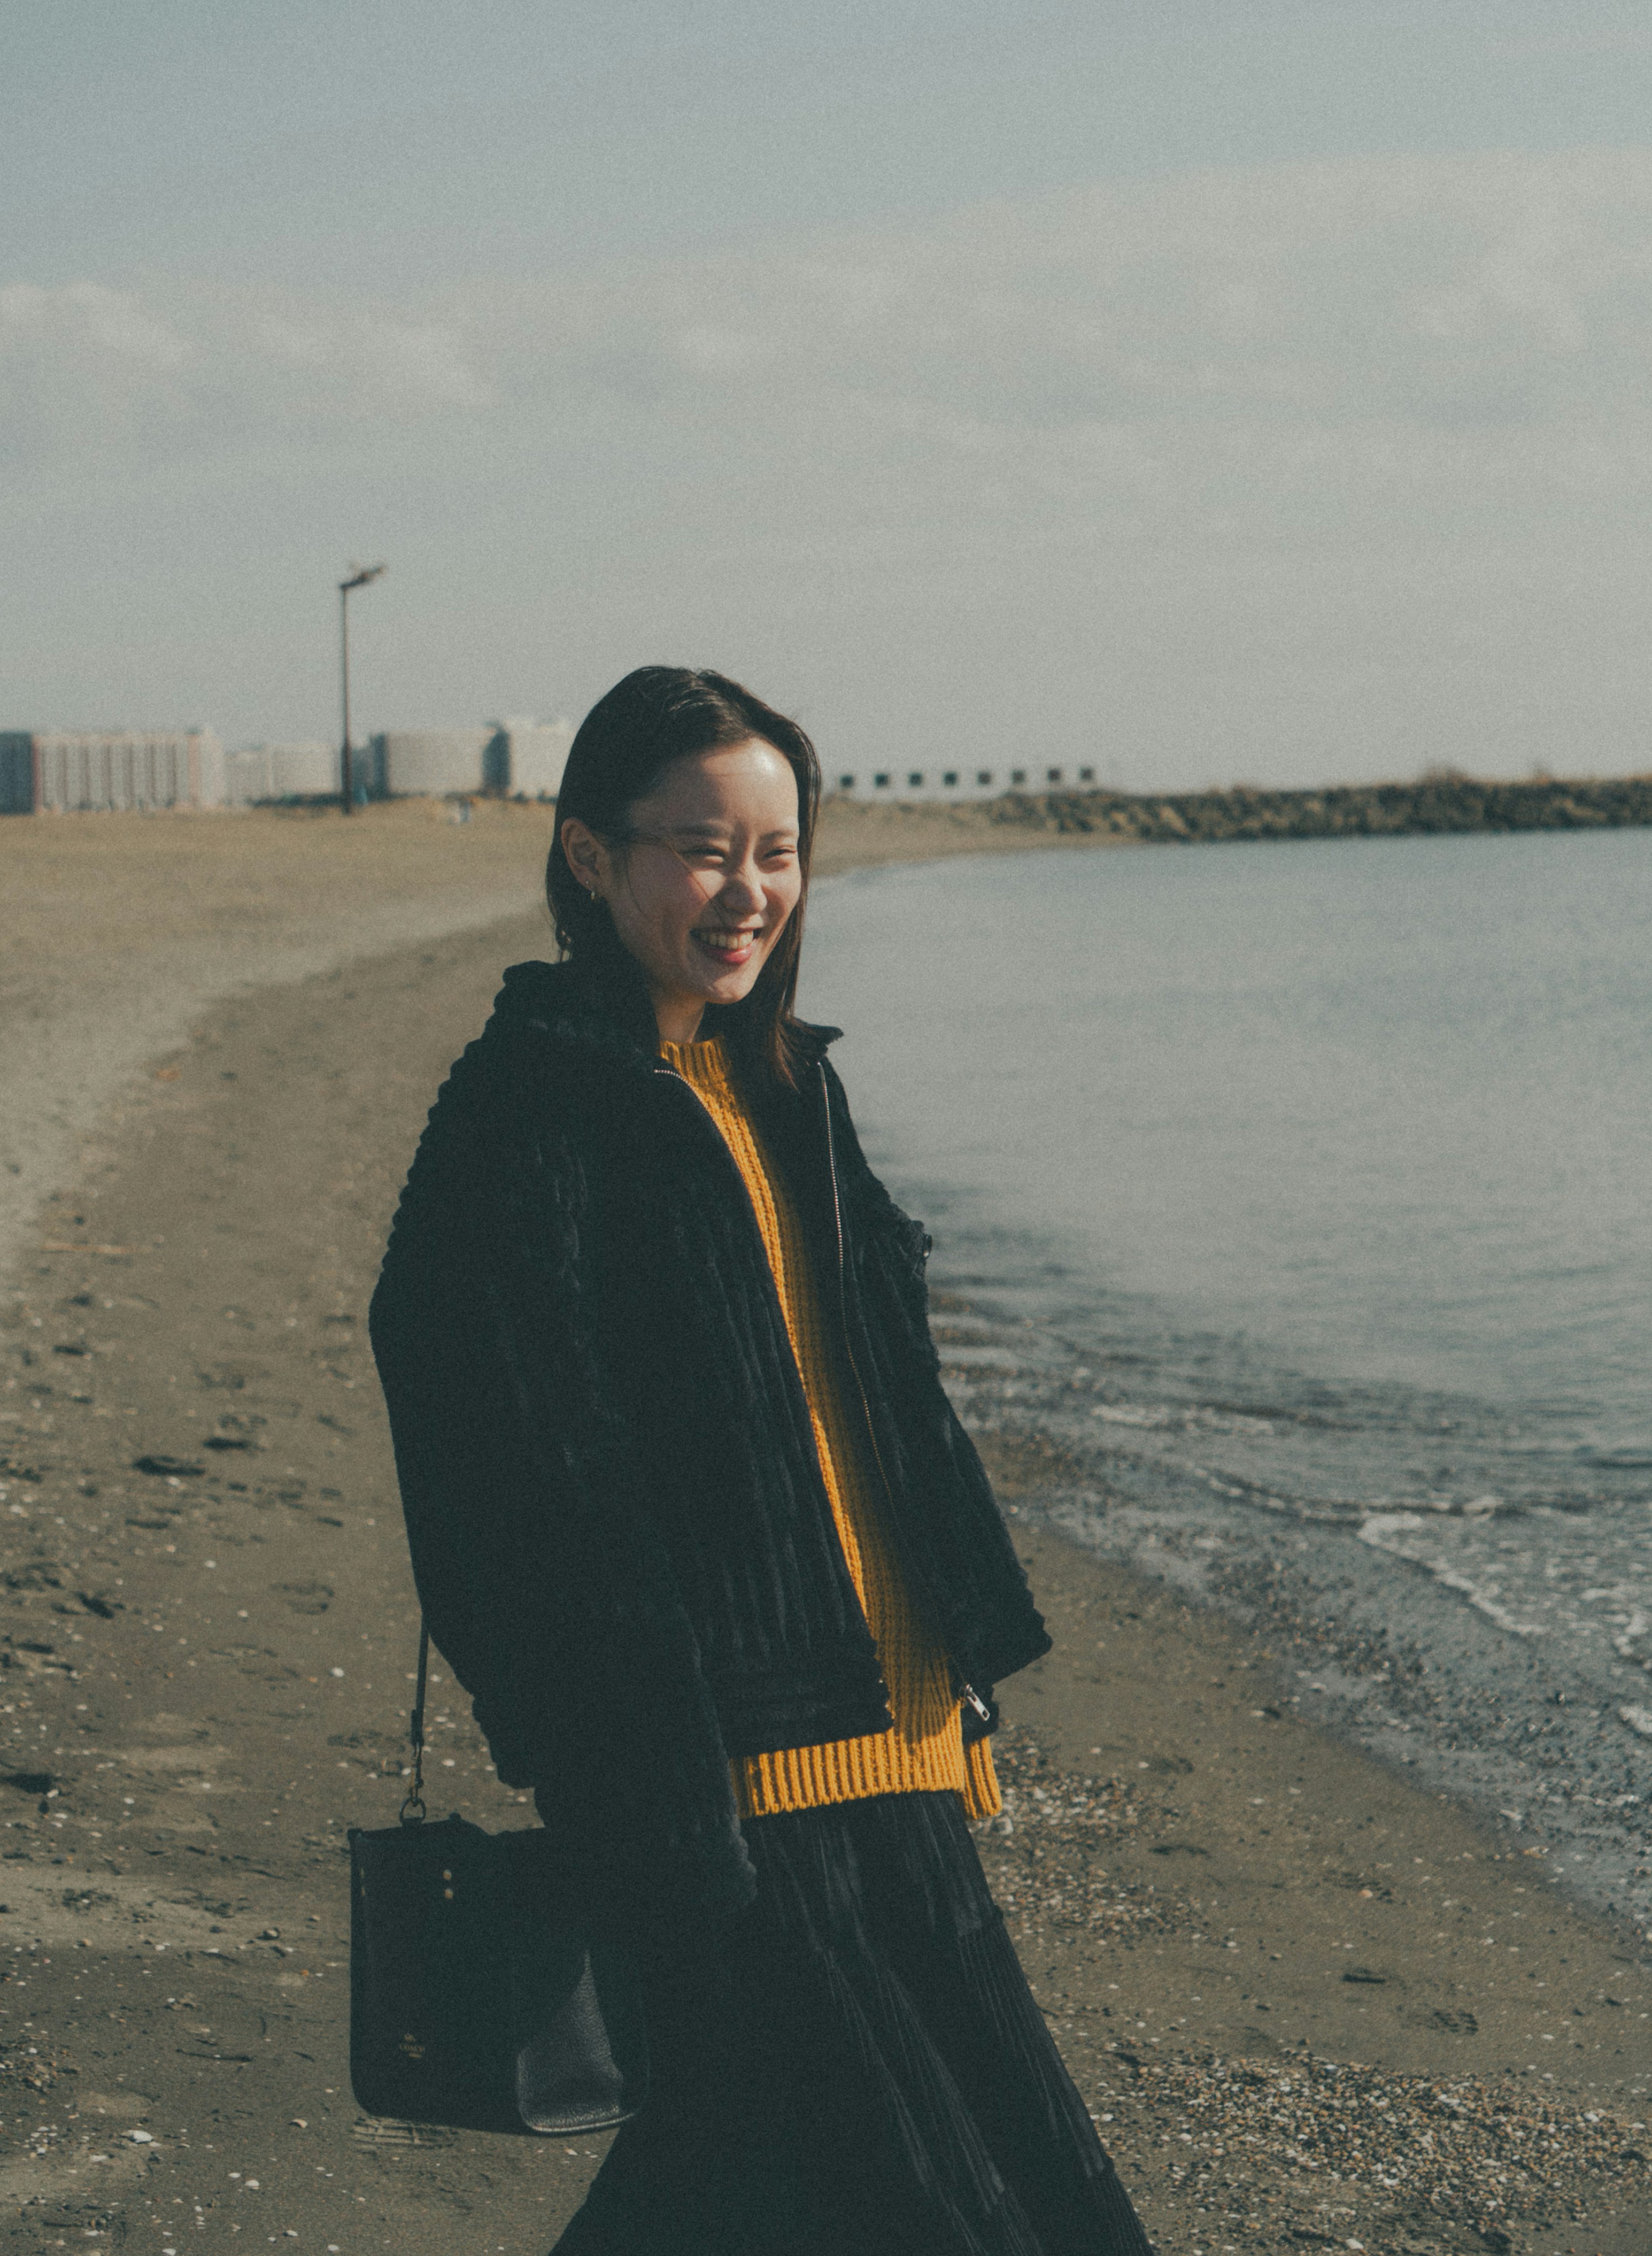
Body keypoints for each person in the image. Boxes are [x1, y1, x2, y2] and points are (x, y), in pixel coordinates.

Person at [370, 665, 1155, 2254]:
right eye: (707, 849)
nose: (753, 895)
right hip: (722, 1783)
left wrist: (962, 1664)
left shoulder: (790, 1084)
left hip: (904, 1739)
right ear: (590, 858)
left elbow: (873, 1412)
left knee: (845, 2178)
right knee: (936, 2205)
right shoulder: (530, 1111)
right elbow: (508, 1475)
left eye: (782, 852)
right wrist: (618, 1769)